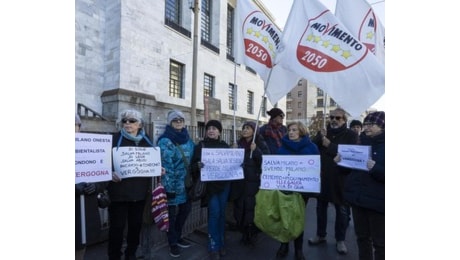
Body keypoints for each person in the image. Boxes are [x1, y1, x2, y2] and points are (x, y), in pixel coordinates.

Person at [107, 109, 156, 260]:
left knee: (135, 227)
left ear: (140, 124)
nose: (127, 123)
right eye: (125, 121)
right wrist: (110, 173)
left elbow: (151, 162)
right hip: (118, 194)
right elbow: (102, 163)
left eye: (132, 121)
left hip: (140, 194)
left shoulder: (147, 141)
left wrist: (158, 168)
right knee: (117, 228)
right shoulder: (113, 139)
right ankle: (114, 256)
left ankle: (131, 254)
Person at [309, 108, 358, 255]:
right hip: (323, 178)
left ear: (344, 120)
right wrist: (319, 137)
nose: (334, 120)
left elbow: (351, 155)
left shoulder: (351, 135)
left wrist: (330, 145)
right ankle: (320, 234)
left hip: (341, 179)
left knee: (342, 212)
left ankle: (340, 240)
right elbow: (311, 148)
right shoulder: (324, 131)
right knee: (321, 209)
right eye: (332, 117)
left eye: (338, 118)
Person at [338, 111, 385, 260]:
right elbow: (348, 171)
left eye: (372, 124)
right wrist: (341, 162)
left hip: (378, 204)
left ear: (383, 127)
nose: (367, 127)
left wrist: (375, 168)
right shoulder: (359, 144)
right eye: (366, 124)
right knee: (362, 238)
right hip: (358, 201)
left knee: (380, 243)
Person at [274, 121, 320, 260]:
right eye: (289, 130)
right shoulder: (282, 148)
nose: (291, 132)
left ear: (301, 131)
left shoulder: (312, 148)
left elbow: (316, 169)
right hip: (285, 189)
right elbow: (275, 167)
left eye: (294, 130)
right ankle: (284, 245)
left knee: (297, 218)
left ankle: (298, 249)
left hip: (302, 192)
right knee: (285, 218)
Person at [157, 110, 195, 258]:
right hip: (172, 184)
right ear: (170, 123)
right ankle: (172, 242)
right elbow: (167, 166)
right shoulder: (165, 140)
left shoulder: (188, 139)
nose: (178, 122)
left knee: (185, 211)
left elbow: (194, 156)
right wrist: (169, 188)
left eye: (181, 119)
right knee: (171, 216)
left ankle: (178, 236)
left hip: (186, 184)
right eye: (175, 120)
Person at [190, 120, 230, 260]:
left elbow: (233, 165)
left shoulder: (225, 146)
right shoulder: (201, 146)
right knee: (214, 214)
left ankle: (221, 243)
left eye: (214, 128)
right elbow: (192, 167)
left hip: (224, 186)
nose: (211, 131)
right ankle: (213, 246)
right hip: (210, 187)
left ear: (219, 132)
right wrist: (198, 165)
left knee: (222, 215)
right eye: (209, 129)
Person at [230, 121, 270, 248]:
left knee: (251, 208)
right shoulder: (238, 144)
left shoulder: (260, 143)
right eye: (244, 128)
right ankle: (243, 231)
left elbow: (267, 162)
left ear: (254, 131)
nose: (245, 130)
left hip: (253, 183)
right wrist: (232, 151)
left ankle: (251, 233)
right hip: (240, 182)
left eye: (248, 128)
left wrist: (256, 151)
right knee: (240, 208)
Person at [75, 114, 106, 260]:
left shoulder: (90, 145)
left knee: (80, 247)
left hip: (84, 209)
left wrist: (96, 186)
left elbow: (102, 175)